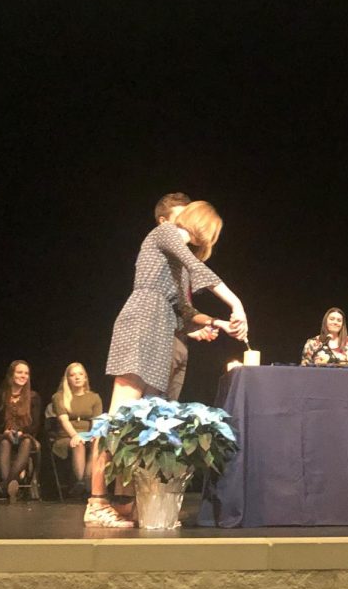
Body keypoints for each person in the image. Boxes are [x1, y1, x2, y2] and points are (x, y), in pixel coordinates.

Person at [86, 200, 249, 528]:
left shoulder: (175, 261)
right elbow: (198, 267)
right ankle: (96, 501)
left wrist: (218, 323)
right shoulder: (166, 233)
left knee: (138, 424)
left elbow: (184, 311)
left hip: (162, 329)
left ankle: (124, 502)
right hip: (143, 320)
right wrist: (237, 303)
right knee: (118, 416)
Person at [153, 193, 220, 402]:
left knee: (169, 407)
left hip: (180, 341)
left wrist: (207, 324)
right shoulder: (161, 250)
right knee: (151, 403)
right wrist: (236, 305)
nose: (188, 224)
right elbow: (162, 303)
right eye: (182, 218)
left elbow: (185, 309)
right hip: (162, 338)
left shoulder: (181, 265)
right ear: (163, 221)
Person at [0, 361, 41, 503]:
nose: (23, 376)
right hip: (0, 435)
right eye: (20, 372)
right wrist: (5, 431)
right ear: (11, 374)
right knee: (5, 442)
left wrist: (22, 432)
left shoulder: (33, 397)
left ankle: (5, 486)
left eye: (26, 373)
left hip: (24, 436)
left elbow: (36, 424)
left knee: (27, 441)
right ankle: (9, 484)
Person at [51, 363, 103, 497]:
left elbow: (97, 421)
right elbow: (64, 420)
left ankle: (83, 484)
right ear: (67, 379)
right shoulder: (59, 397)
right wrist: (75, 435)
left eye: (80, 374)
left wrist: (94, 435)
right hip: (66, 436)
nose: (77, 377)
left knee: (97, 443)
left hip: (88, 434)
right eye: (73, 375)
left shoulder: (94, 397)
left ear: (85, 378)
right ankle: (83, 483)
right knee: (78, 443)